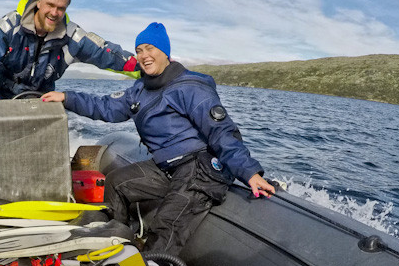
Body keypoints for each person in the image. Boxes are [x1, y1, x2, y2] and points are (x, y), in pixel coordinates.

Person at [42, 22, 275, 252]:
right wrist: (67, 98)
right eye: (139, 50)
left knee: (164, 227)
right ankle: (117, 245)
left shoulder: (191, 86)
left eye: (150, 48)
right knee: (116, 183)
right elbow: (106, 107)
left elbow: (221, 131)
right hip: (166, 168)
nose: (144, 55)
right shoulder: (140, 89)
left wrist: (250, 173)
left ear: (165, 52)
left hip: (199, 169)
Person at [0, 0, 139, 100]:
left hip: (41, 105)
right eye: (50, 5)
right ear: (39, 2)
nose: (54, 13)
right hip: (2, 102)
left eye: (61, 8)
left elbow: (105, 53)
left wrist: (147, 67)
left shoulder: (72, 37)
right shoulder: (7, 28)